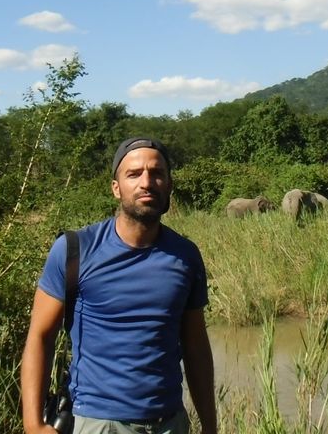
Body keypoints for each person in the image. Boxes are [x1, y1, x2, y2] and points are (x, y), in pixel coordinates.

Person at [20, 137, 218, 434]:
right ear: (116, 188)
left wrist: (210, 426)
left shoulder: (186, 256)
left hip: (170, 422)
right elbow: (40, 336)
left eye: (157, 173)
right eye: (134, 174)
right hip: (100, 422)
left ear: (169, 185)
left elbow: (196, 346)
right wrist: (33, 425)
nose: (146, 182)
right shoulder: (75, 250)